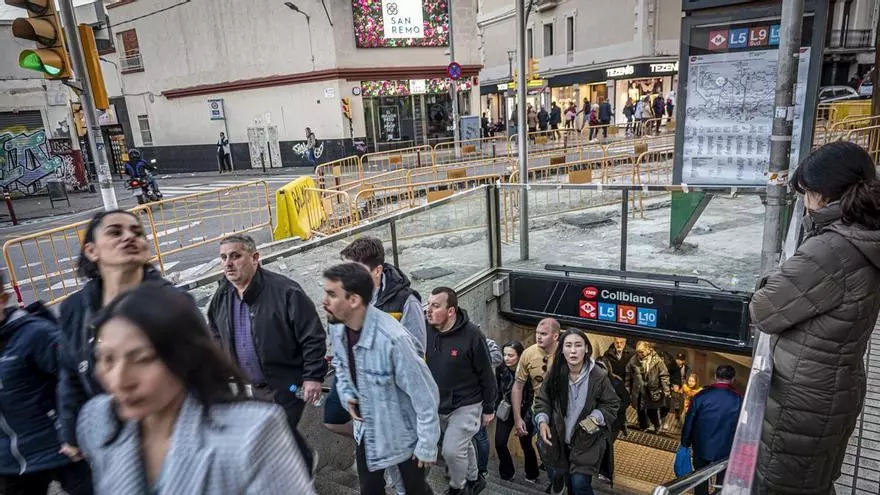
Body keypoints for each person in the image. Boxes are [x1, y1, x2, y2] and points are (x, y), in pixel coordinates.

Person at [76, 282, 315, 494]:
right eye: (106, 359)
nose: (120, 380)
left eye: (142, 359)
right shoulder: (97, 421)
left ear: (185, 357)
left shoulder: (252, 433)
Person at [750, 141, 880, 495]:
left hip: (803, 399)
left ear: (822, 195)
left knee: (783, 486)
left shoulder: (831, 249)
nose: (804, 202)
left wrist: (773, 279)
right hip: (836, 386)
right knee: (816, 482)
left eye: (806, 192)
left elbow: (763, 309)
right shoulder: (865, 233)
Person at [57, 210, 173, 470]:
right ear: (91, 251)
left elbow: (202, 373)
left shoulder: (173, 304)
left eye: (137, 232)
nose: (129, 237)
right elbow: (70, 373)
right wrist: (71, 433)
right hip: (109, 440)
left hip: (169, 437)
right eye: (115, 232)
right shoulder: (74, 309)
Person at [207, 234, 327, 473]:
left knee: (273, 434)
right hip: (251, 385)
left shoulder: (286, 292)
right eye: (223, 257)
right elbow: (215, 329)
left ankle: (297, 473)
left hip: (286, 383)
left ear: (255, 258)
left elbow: (312, 335)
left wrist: (313, 376)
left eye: (235, 256)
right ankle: (303, 460)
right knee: (276, 433)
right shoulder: (223, 294)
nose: (228, 263)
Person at [323, 263, 439, 495]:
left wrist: (426, 445)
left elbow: (426, 395)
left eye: (332, 294)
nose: (324, 301)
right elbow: (342, 368)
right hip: (367, 429)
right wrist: (348, 396)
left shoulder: (394, 340)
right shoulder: (337, 327)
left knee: (414, 489)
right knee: (370, 488)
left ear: (354, 300)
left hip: (403, 432)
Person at [0, 276, 90, 495]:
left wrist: (74, 430)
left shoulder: (35, 334)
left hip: (60, 448)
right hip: (9, 462)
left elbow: (78, 376)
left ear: (3, 298)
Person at [425, 287, 496, 495]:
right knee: (461, 444)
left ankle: (460, 487)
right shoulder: (425, 328)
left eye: (435, 306)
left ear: (451, 311)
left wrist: (489, 408)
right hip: (438, 402)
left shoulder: (472, 335)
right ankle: (475, 479)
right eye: (428, 304)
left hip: (467, 402)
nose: (428, 310)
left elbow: (486, 374)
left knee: (451, 449)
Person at [534, 329, 621, 495]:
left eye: (578, 345)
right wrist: (542, 420)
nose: (573, 351)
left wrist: (596, 417)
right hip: (557, 440)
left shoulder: (598, 376)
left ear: (587, 349)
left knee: (579, 484)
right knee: (559, 475)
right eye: (568, 345)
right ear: (562, 350)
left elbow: (612, 404)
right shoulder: (555, 373)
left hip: (585, 442)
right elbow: (543, 400)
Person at [680, 365, 742, 495]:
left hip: (701, 447)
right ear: (733, 379)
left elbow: (689, 421)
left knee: (700, 480)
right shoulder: (739, 399)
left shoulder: (701, 396)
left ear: (715, 377)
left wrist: (685, 443)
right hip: (726, 450)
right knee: (721, 483)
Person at [494, 341, 540, 482]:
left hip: (525, 411)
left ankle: (532, 474)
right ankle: (507, 472)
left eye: (511, 355)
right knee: (500, 442)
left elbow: (533, 395)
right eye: (505, 355)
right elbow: (497, 389)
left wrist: (526, 418)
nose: (506, 358)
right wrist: (497, 407)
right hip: (506, 410)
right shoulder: (501, 369)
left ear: (520, 356)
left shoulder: (529, 371)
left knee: (525, 444)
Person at [625, 341, 670, 433]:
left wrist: (666, 389)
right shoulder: (634, 359)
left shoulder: (657, 361)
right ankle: (643, 426)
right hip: (638, 389)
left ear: (648, 349)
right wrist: (627, 388)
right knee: (640, 409)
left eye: (641, 351)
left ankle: (657, 427)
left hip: (652, 390)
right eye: (638, 352)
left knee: (652, 410)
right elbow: (628, 374)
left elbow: (664, 375)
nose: (640, 354)